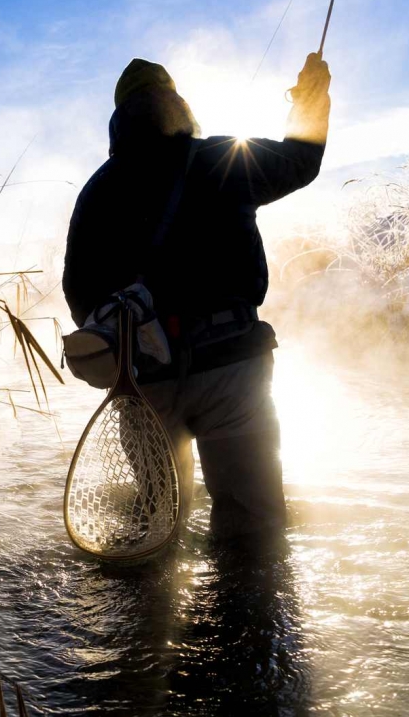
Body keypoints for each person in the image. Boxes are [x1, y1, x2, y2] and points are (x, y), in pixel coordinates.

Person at [62, 52, 331, 541]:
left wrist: (133, 338)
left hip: (146, 379)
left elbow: (78, 292)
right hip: (234, 370)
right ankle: (251, 610)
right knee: (253, 527)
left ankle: (150, 610)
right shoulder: (220, 157)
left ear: (119, 118)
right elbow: (301, 160)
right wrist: (311, 96)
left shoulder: (98, 191)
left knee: (157, 524)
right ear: (177, 105)